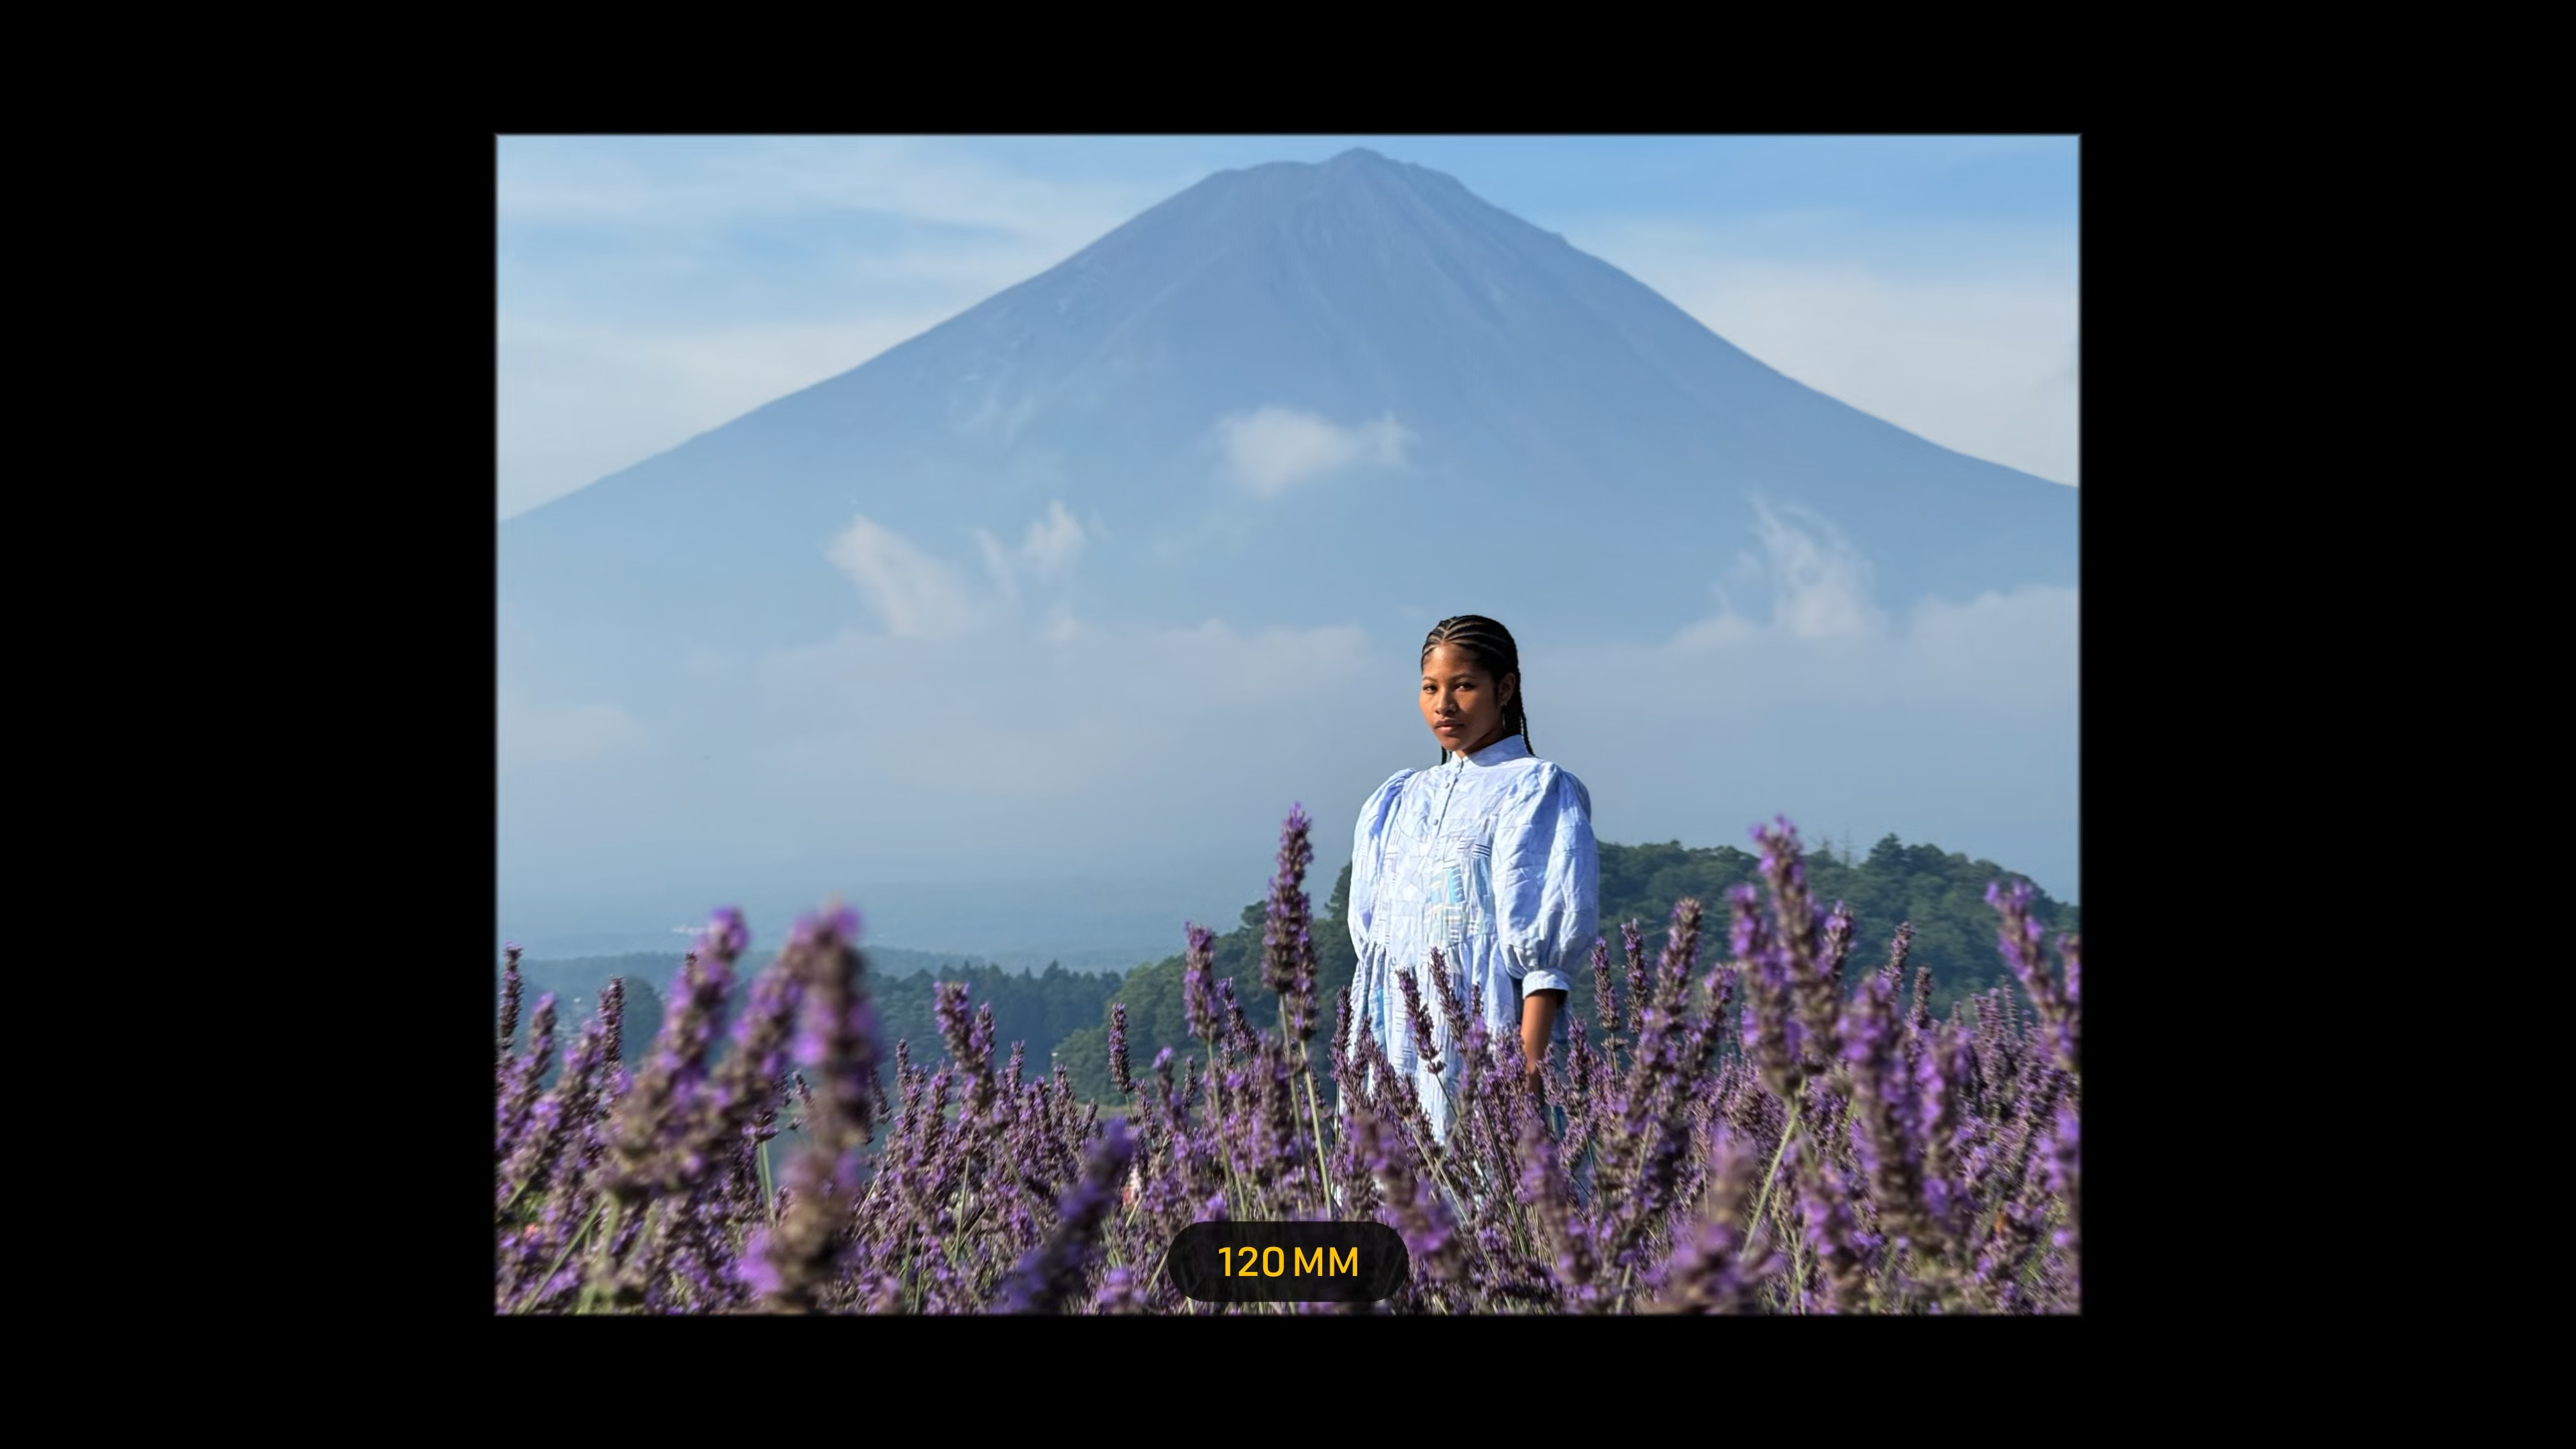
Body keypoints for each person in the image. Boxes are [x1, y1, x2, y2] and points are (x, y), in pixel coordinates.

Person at [1346, 614, 1598, 1150]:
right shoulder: (1396, 800)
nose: (1444, 705)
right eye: (1430, 688)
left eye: (1464, 686)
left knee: (1487, 1210)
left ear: (1504, 688)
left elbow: (1544, 963)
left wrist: (1527, 1077)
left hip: (1485, 1041)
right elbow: (1373, 949)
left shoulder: (1535, 789)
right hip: (1393, 1050)